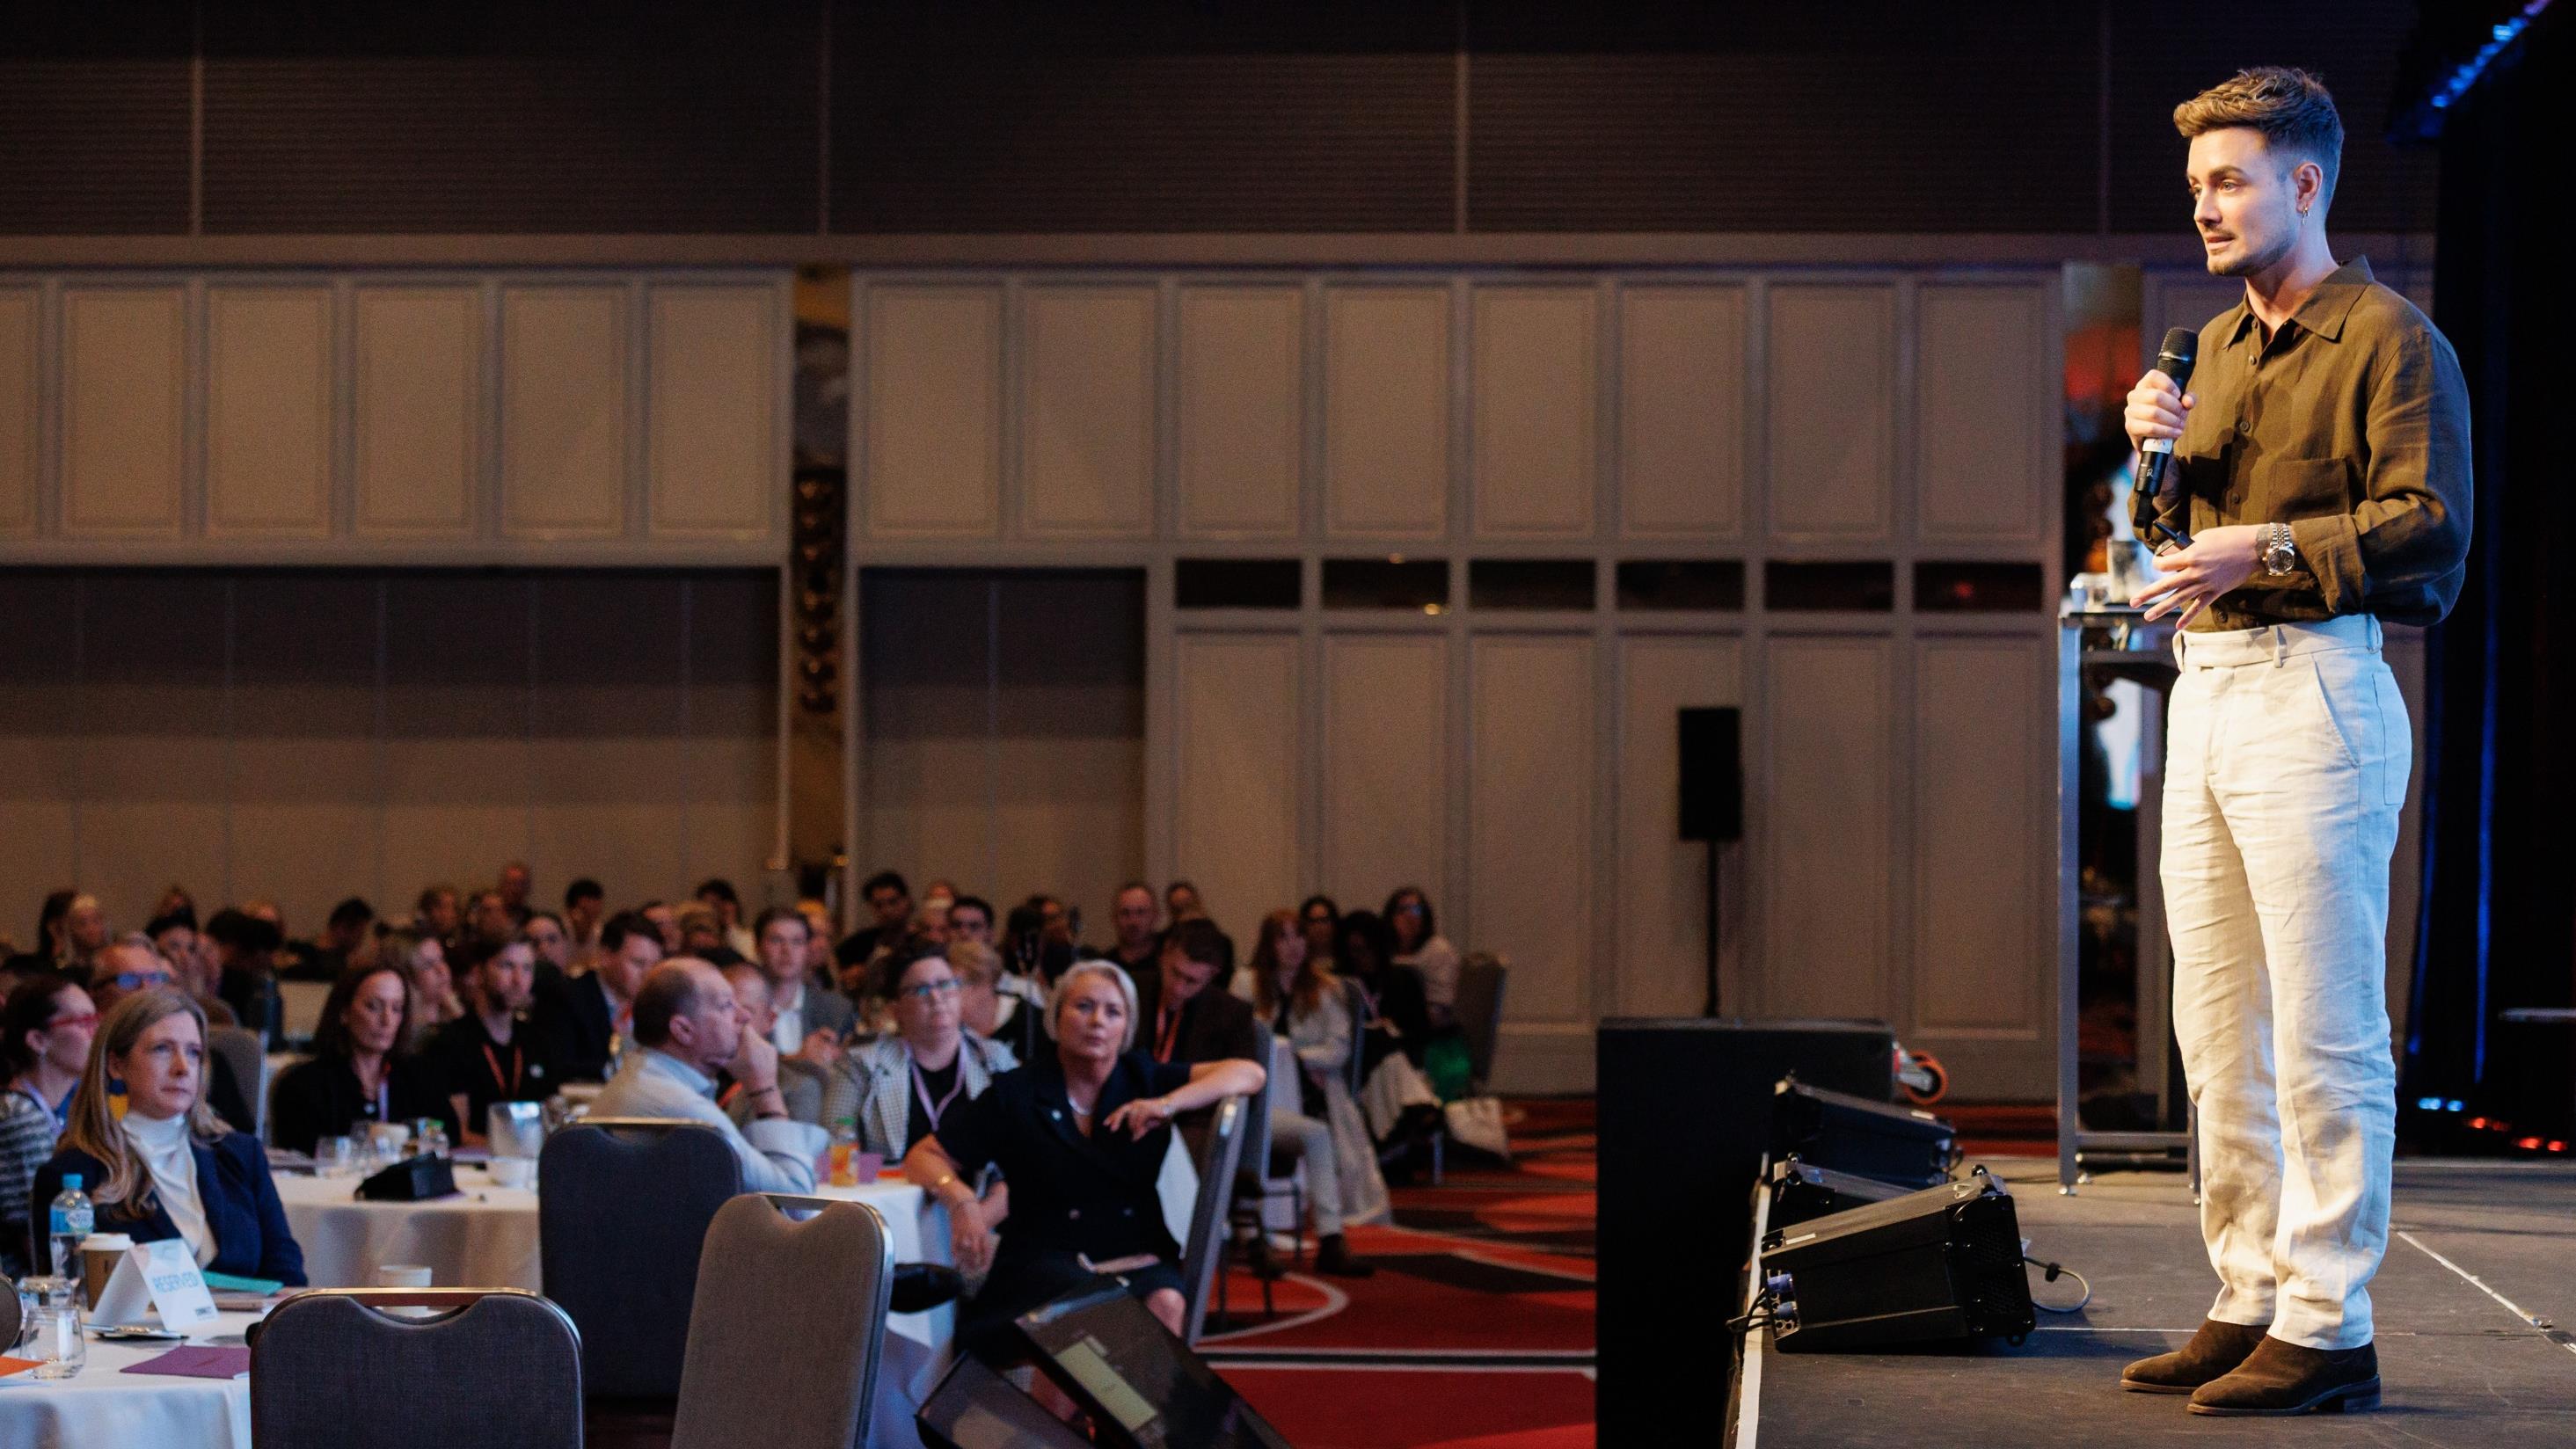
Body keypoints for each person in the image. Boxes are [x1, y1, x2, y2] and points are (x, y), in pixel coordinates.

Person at [2117, 69, 2470, 1418]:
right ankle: (2249, 1290)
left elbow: (2430, 527)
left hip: (2315, 686)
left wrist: (2261, 549)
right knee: (2217, 1025)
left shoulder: (2388, 339)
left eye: (2227, 181)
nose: (2202, 206)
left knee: (2324, 1026)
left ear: (2305, 183)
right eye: (2195, 185)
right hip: (2207, 687)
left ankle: (2330, 1321)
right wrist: (2147, 457)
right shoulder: (2206, 351)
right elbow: (2166, 544)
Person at [905, 959, 1265, 1352]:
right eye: (1084, 1006)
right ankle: (1089, 1395)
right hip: (1041, 1261)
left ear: (1126, 1027)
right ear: (1057, 1017)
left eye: (1113, 1012)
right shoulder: (1019, 1092)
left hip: (1134, 1253)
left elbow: (1249, 1073)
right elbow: (925, 1155)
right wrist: (960, 1199)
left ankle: (1148, 1396)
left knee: (1166, 1301)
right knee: (1086, 1305)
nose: (1098, 1022)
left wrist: (1167, 1104)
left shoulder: (1142, 1080)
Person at [33, 989, 305, 1285]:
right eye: (162, 1049)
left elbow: (287, 1275)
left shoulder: (240, 1153)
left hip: (251, 1317)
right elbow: (69, 1292)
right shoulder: (76, 1173)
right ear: (116, 1065)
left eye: (194, 1052)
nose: (182, 1068)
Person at [589, 959, 826, 1193]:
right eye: (726, 1006)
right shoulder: (683, 1108)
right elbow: (793, 1198)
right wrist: (765, 1088)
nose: (743, 1016)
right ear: (683, 1030)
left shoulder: (642, 1080)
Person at [1234, 910, 1385, 1277]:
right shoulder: (1246, 983)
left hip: (1311, 1094)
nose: (1293, 946)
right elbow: (1236, 1041)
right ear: (1269, 944)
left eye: (1299, 936)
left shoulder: (1325, 987)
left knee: (1318, 1135)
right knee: (1252, 1134)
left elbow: (1340, 1047)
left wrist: (1299, 1059)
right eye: (1283, 937)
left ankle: (1331, 1239)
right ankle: (1252, 1237)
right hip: (1256, 1098)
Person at [825, 944, 1018, 1161]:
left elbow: (1021, 1144)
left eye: (945, 984)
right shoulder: (861, 1064)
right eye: (921, 990)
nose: (936, 997)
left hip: (977, 1182)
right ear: (895, 1009)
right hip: (891, 1181)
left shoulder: (996, 1059)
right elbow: (833, 1149)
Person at [268, 961, 458, 1155]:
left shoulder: (420, 1077)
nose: (387, 1020)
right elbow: (301, 1157)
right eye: (373, 1007)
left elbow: (449, 1136)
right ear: (344, 1012)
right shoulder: (305, 1084)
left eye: (397, 1008)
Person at [1, 979, 97, 1277]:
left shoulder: (60, 1109)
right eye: (82, 1022)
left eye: (95, 1019)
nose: (95, 1031)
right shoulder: (20, 1116)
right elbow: (35, 1234)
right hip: (23, 1289)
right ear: (38, 1040)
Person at [430, 933, 561, 1147]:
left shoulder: (537, 1041)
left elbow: (551, 1120)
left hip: (529, 1162)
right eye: (507, 966)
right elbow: (457, 1133)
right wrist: (513, 1151)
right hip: (474, 1163)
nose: (518, 980)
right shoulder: (452, 1043)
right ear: (478, 972)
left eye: (527, 968)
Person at [536, 909, 659, 1081]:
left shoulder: (657, 1005)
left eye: (654, 965)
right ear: (606, 956)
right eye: (639, 963)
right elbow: (561, 1065)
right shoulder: (566, 997)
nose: (648, 974)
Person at [1135, 919, 1263, 1072]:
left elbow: (1243, 1074)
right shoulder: (1130, 990)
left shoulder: (1233, 1015)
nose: (1178, 988)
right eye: (1175, 973)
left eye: (1191, 981)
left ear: (1211, 975)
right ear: (1164, 954)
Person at [716, 963, 829, 1126]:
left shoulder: (796, 1088)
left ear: (770, 1020)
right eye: (724, 1009)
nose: (732, 1020)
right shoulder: (694, 1073)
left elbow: (792, 1144)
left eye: (746, 1011)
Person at [753, 906, 851, 1059]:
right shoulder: (743, 1010)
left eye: (797, 941)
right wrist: (798, 1059)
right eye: (776, 940)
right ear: (757, 947)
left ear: (807, 949)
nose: (787, 950)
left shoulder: (836, 1009)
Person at [953, 938, 1045, 1063]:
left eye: (957, 985)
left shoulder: (1031, 1019)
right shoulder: (947, 1026)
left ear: (986, 984)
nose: (948, 995)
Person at [1383, 886, 1462, 1028]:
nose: (1409, 915)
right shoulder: (1384, 951)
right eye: (1402, 910)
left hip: (1428, 1030)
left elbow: (1442, 1007)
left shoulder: (1438, 951)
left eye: (1416, 910)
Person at [381, 928, 462, 1045]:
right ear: (407, 977)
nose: (442, 970)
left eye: (442, 959)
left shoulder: (456, 1016)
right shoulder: (404, 1036)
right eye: (428, 965)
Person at [836, 870, 915, 973]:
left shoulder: (921, 940)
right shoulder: (858, 944)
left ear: (907, 901)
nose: (886, 911)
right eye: (878, 905)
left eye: (893, 902)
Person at [1164, 880, 1234, 972]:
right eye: (1179, 909)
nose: (1187, 913)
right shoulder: (1166, 942)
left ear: (1198, 903)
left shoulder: (1222, 943)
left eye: (1189, 905)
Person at [1099, 883, 1163, 977]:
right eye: (1125, 913)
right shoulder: (1104, 967)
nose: (1133, 921)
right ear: (1114, 918)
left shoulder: (1167, 964)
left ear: (1155, 916)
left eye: (1141, 912)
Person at [697, 878, 759, 962]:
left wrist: (730, 926)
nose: (711, 911)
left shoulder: (749, 937)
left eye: (715, 905)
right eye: (705, 906)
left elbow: (749, 961)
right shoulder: (699, 940)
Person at [496, 861, 534, 927]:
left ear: (527, 889)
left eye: (520, 885)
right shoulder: (489, 915)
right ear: (501, 886)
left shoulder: (532, 922)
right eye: (510, 883)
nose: (514, 889)